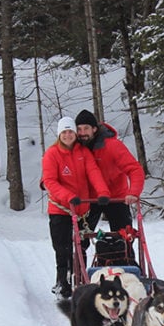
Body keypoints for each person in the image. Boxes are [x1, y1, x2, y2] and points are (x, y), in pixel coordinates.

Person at [41, 116, 110, 298]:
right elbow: (50, 181)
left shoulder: (82, 152)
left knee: (82, 244)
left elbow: (93, 172)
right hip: (61, 209)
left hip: (82, 209)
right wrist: (69, 196)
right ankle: (62, 281)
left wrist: (102, 192)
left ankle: (80, 279)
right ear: (59, 134)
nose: (68, 135)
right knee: (62, 247)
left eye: (70, 131)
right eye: (64, 132)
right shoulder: (52, 154)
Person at [74, 109, 145, 233]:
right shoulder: (75, 148)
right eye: (79, 129)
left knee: (124, 237)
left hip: (115, 196)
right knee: (81, 238)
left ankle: (124, 251)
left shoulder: (112, 146)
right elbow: (57, 162)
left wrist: (133, 192)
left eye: (86, 128)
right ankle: (82, 251)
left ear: (94, 129)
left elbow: (134, 169)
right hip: (89, 199)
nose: (82, 133)